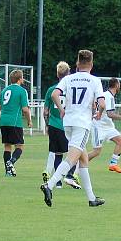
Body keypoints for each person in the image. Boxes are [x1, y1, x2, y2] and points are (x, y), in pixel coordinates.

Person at [40, 49, 106, 207]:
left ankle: (91, 199)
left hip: (68, 123)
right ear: (91, 64)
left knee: (83, 159)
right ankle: (49, 185)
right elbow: (102, 103)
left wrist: (62, 110)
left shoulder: (68, 79)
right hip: (82, 124)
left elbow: (54, 95)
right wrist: (98, 113)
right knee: (72, 158)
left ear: (77, 63)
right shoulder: (94, 81)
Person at [42, 61, 80, 189]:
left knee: (57, 153)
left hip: (53, 125)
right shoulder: (71, 88)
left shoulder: (51, 90)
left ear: (57, 74)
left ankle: (57, 182)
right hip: (68, 126)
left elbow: (45, 111)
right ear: (68, 73)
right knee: (74, 153)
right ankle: (69, 176)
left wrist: (47, 125)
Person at [0, 69, 32, 176]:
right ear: (19, 79)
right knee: (20, 146)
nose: (23, 79)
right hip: (15, 122)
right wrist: (29, 120)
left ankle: (8, 172)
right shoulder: (22, 91)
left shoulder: (4, 90)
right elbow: (25, 109)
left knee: (7, 146)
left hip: (3, 121)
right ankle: (11, 162)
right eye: (22, 77)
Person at [89, 77, 121, 173]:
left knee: (120, 141)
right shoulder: (108, 96)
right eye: (119, 84)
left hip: (108, 126)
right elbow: (110, 114)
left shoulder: (106, 95)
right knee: (96, 152)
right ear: (117, 85)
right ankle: (77, 165)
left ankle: (113, 165)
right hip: (99, 127)